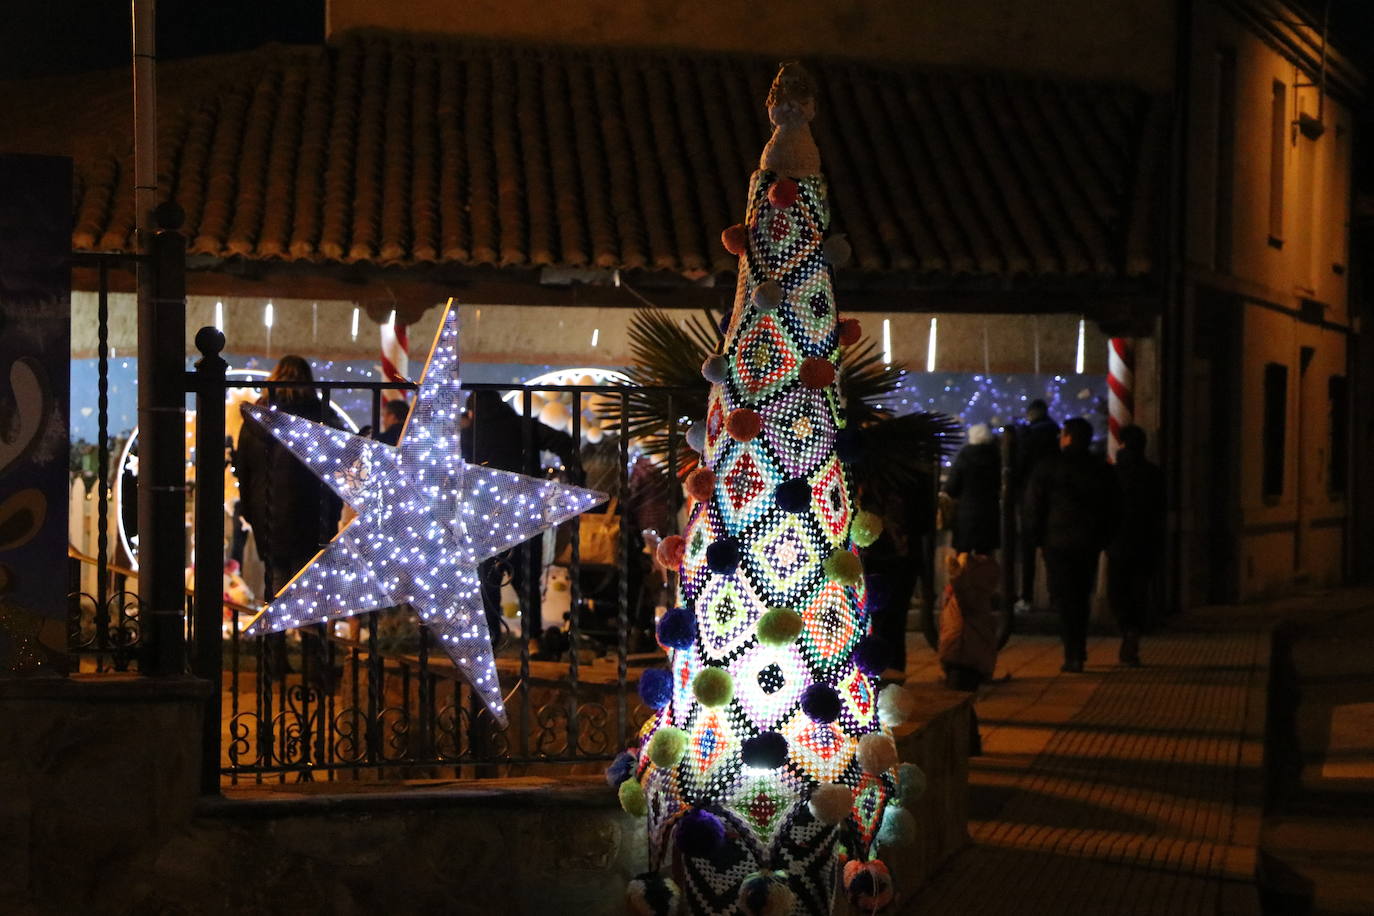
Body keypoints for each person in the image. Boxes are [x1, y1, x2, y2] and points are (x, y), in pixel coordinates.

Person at [234, 355, 344, 678]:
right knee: (310, 594)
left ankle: (273, 660)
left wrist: (254, 513)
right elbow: (335, 471)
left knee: (276, 588)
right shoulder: (320, 416)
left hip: (270, 517)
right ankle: (313, 663)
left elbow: (244, 469)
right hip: (312, 515)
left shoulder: (257, 418)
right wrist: (332, 512)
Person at [460, 389, 578, 648]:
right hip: (524, 510)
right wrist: (573, 476)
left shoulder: (471, 433)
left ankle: (490, 638)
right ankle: (532, 639)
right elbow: (563, 442)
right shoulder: (523, 426)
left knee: (487, 579)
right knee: (527, 579)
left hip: (485, 513)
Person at [1023, 417, 1121, 672]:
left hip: (1057, 542)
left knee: (1065, 596)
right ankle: (1078, 647)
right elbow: (1113, 507)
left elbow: (1034, 505)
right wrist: (1104, 537)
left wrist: (1036, 537)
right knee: (1081, 593)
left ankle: (1072, 651)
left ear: (1067, 437)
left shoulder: (1048, 466)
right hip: (1088, 541)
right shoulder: (1100, 468)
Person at [1107, 425, 1165, 666]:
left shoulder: (1114, 473)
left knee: (1118, 589)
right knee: (1139, 589)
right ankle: (1134, 630)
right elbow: (1161, 508)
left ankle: (1126, 627)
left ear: (1122, 444)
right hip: (1146, 540)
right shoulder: (1154, 473)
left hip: (1119, 539)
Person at [1013, 399, 1060, 612]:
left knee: (1028, 550)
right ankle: (1054, 598)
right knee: (1052, 554)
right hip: (1054, 501)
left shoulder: (1028, 436)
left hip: (1029, 497)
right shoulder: (1056, 434)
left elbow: (1019, 464)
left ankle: (1027, 597)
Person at [944, 423, 1001, 555]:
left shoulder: (964, 456)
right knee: (985, 557)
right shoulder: (996, 457)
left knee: (963, 555)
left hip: (966, 513)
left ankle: (965, 575)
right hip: (989, 513)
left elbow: (952, 487)